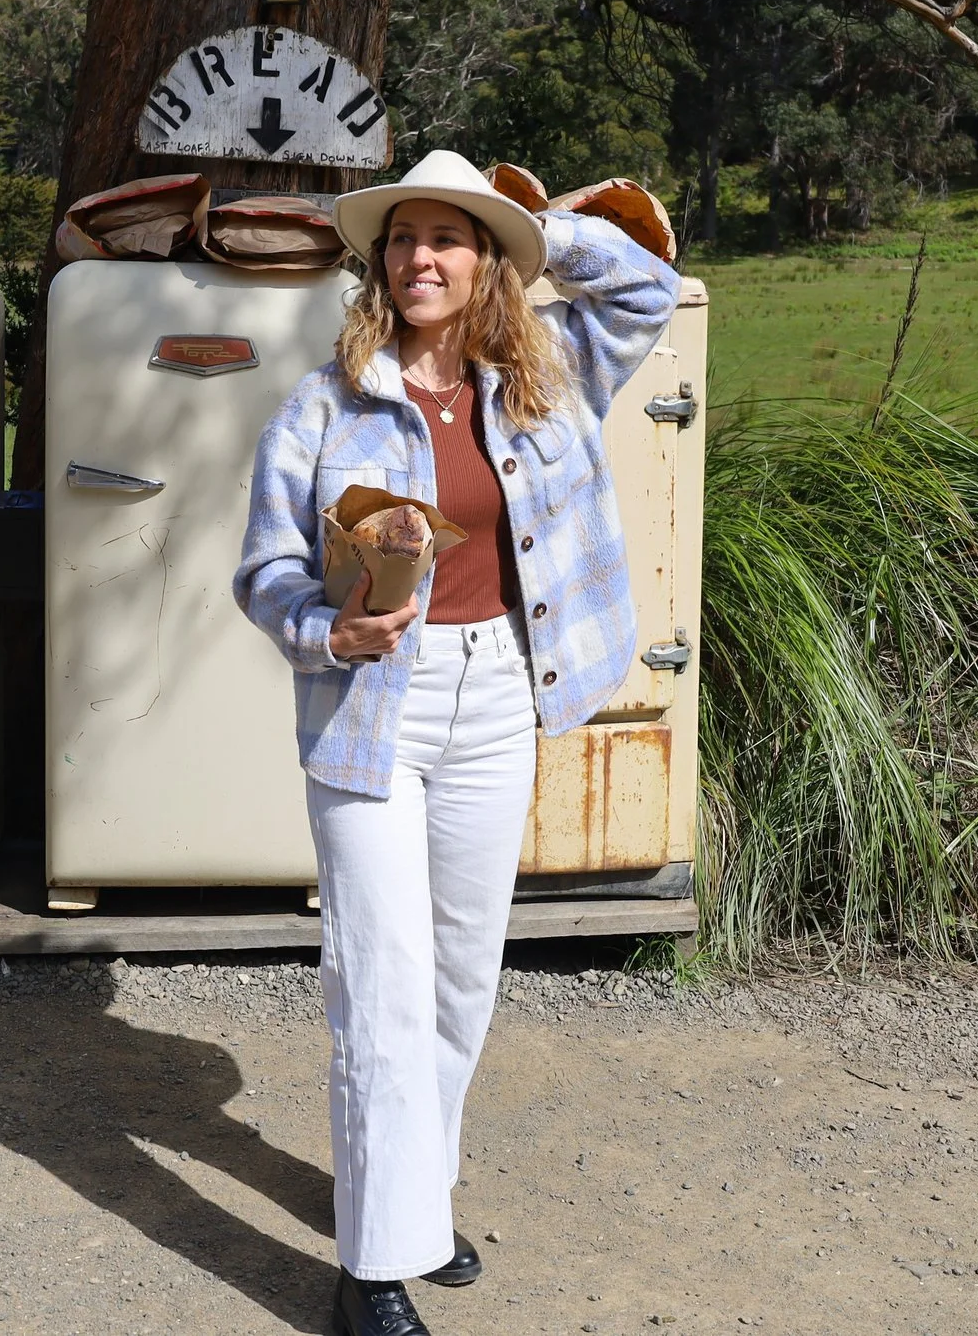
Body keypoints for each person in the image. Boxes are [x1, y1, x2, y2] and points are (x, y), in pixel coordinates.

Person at [234, 148, 681, 1336]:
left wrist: (534, 225)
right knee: (377, 979)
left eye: (447, 237)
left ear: (485, 262)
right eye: (401, 237)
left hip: (495, 693)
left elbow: (644, 285)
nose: (418, 257)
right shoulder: (324, 404)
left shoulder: (547, 372)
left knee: (460, 973)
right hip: (369, 702)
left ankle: (412, 1196)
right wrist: (326, 628)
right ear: (377, 262)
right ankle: (372, 1268)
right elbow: (264, 567)